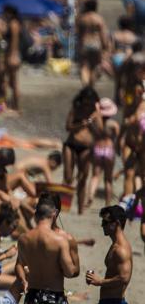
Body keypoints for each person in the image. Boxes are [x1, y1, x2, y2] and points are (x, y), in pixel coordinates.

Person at [16, 193, 79, 304]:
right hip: (53, 296)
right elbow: (71, 272)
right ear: (54, 213)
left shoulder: (24, 238)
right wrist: (23, 280)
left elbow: (21, 263)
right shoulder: (62, 240)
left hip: (31, 297)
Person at [63, 86, 103, 214]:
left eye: (90, 101)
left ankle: (80, 210)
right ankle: (64, 205)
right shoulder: (76, 109)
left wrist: (92, 123)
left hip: (86, 147)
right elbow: (68, 127)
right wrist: (82, 124)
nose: (88, 104)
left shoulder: (96, 113)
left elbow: (100, 132)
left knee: (83, 177)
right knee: (68, 177)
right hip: (71, 144)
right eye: (86, 101)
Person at [87, 206, 132, 304]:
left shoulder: (121, 250)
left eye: (105, 222)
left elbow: (124, 278)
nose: (102, 225)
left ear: (116, 223)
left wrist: (100, 281)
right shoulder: (115, 245)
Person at [88, 98, 120, 207]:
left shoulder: (94, 124)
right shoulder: (113, 124)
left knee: (95, 176)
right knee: (108, 179)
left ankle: (91, 196)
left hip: (98, 148)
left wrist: (95, 114)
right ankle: (107, 203)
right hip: (109, 150)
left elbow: (89, 127)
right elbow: (118, 139)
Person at [77, 0, 109, 87]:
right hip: (96, 44)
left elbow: (78, 34)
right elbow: (103, 35)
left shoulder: (82, 19)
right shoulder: (99, 18)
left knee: (84, 67)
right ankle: (91, 87)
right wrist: (105, 47)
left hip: (84, 44)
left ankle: (85, 87)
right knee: (94, 67)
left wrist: (78, 47)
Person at [0, 5, 22, 111]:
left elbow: (14, 42)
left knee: (11, 82)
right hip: (12, 55)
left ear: (10, 12)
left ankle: (15, 107)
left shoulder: (13, 24)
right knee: (11, 81)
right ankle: (12, 105)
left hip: (12, 56)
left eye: (5, 12)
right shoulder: (13, 23)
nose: (4, 14)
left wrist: (12, 56)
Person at [111, 16, 137, 104]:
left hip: (117, 58)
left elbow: (112, 49)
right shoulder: (133, 36)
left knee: (118, 81)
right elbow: (135, 50)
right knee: (127, 81)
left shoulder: (115, 34)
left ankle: (117, 99)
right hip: (128, 59)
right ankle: (126, 100)